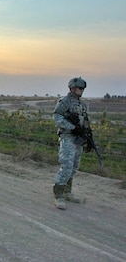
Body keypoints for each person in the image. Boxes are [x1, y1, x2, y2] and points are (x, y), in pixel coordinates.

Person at [52, 77, 88, 210]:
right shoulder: (65, 101)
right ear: (72, 88)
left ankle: (67, 192)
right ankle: (58, 195)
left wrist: (86, 135)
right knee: (66, 165)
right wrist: (71, 127)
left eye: (83, 88)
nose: (81, 91)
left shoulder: (82, 105)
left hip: (78, 139)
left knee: (74, 166)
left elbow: (84, 122)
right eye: (79, 88)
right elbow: (56, 116)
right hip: (67, 136)